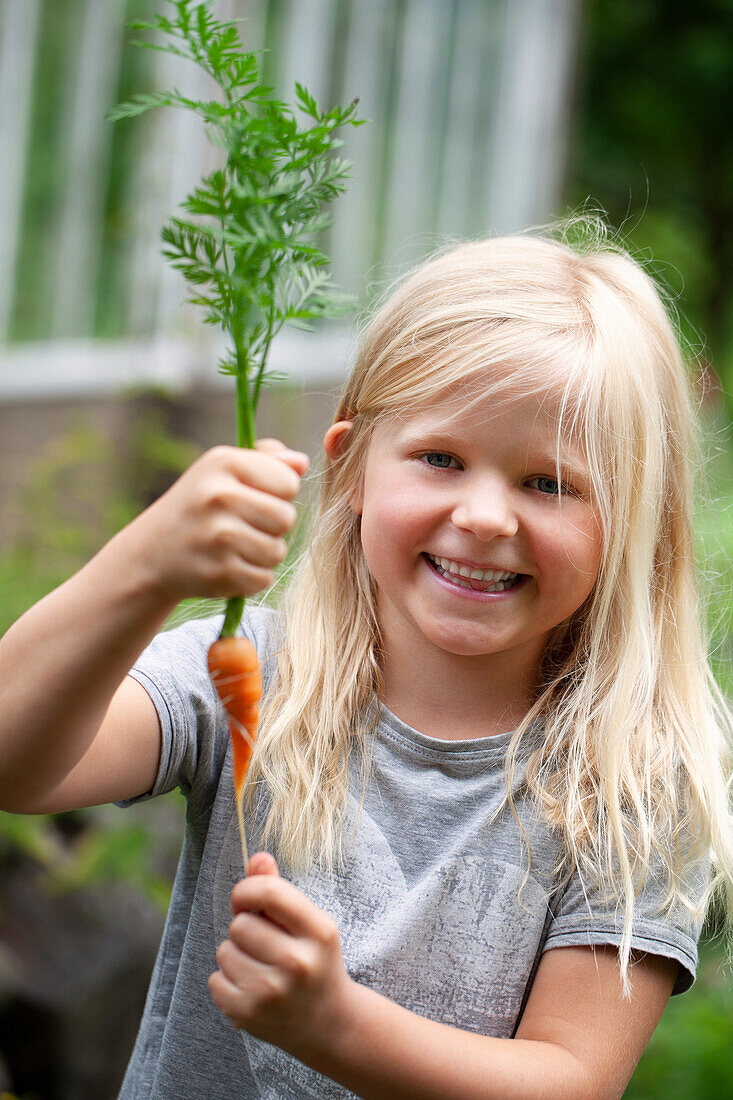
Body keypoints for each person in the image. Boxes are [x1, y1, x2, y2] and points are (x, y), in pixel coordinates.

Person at [0, 220, 731, 1100]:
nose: (486, 516)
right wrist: (145, 565)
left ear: (636, 525)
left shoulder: (631, 782)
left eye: (548, 483)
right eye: (439, 458)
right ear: (349, 473)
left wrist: (333, 1026)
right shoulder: (249, 675)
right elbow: (16, 763)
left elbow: (570, 1080)